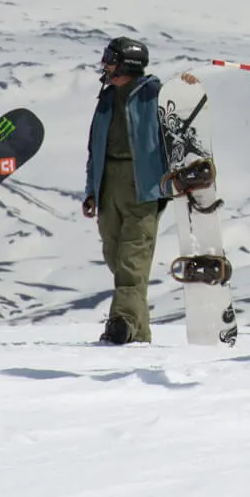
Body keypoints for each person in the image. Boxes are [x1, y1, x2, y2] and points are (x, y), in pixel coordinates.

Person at [82, 36, 173, 345]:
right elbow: (94, 148)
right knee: (115, 257)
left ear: (126, 63)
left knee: (132, 261)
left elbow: (175, 136)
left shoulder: (155, 95)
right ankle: (139, 332)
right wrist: (91, 190)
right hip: (108, 182)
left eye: (110, 58)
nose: (104, 64)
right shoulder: (106, 98)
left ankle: (120, 325)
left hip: (142, 184)